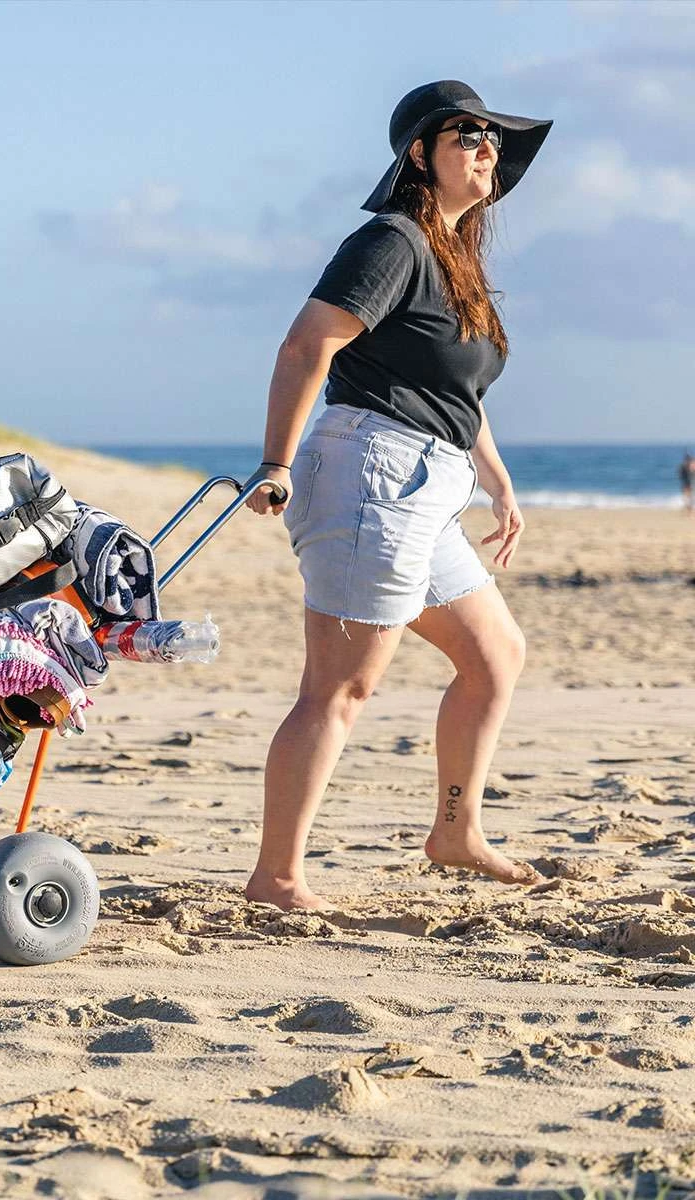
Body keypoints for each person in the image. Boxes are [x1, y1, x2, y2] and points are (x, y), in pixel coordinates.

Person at [244, 80, 552, 911]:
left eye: (492, 135)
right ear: (419, 154)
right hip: (370, 475)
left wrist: (496, 478)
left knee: (495, 657)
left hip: (426, 482)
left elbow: (453, 390)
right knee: (340, 689)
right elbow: (309, 341)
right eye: (465, 134)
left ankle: (456, 832)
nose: (486, 145)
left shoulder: (453, 258)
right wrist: (274, 464)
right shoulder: (393, 241)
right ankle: (276, 878)